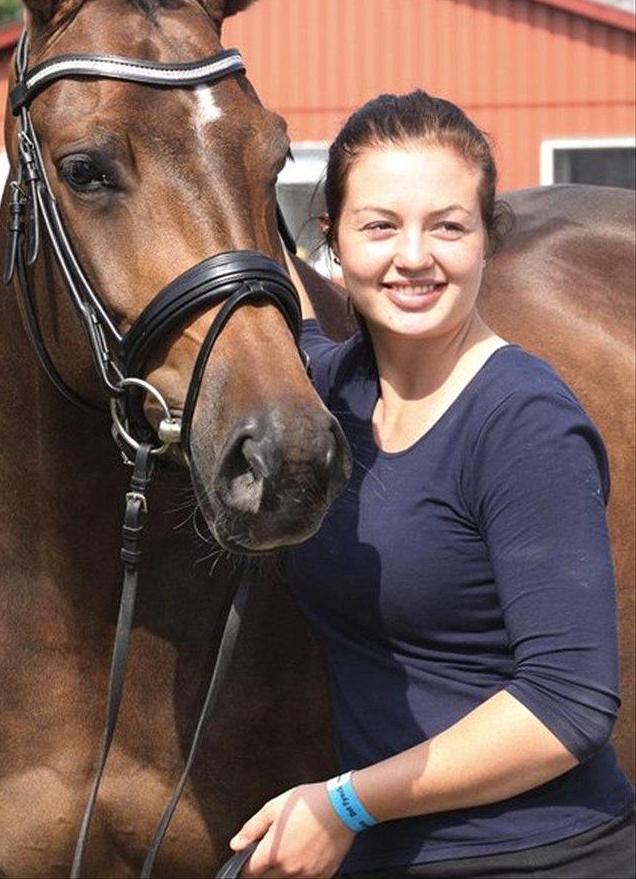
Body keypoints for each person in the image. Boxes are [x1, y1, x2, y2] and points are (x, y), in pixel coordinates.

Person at [229, 91, 634, 878]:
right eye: (379, 226)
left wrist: (345, 803)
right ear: (332, 245)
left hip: (539, 855)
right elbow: (239, 268)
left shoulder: (524, 423)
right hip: (390, 854)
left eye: (448, 226)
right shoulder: (333, 387)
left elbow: (569, 705)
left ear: (487, 241)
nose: (413, 257)